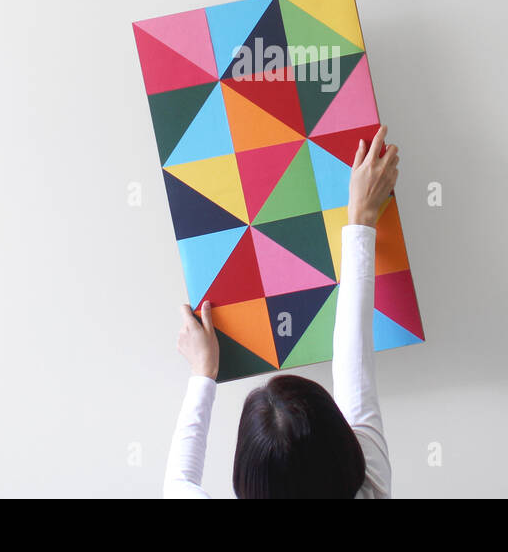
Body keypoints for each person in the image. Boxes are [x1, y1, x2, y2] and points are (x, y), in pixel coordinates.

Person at [162, 125, 400, 498]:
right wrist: (202, 374)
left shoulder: (374, 481)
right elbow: (354, 361)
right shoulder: (370, 483)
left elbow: (178, 484)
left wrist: (202, 373)